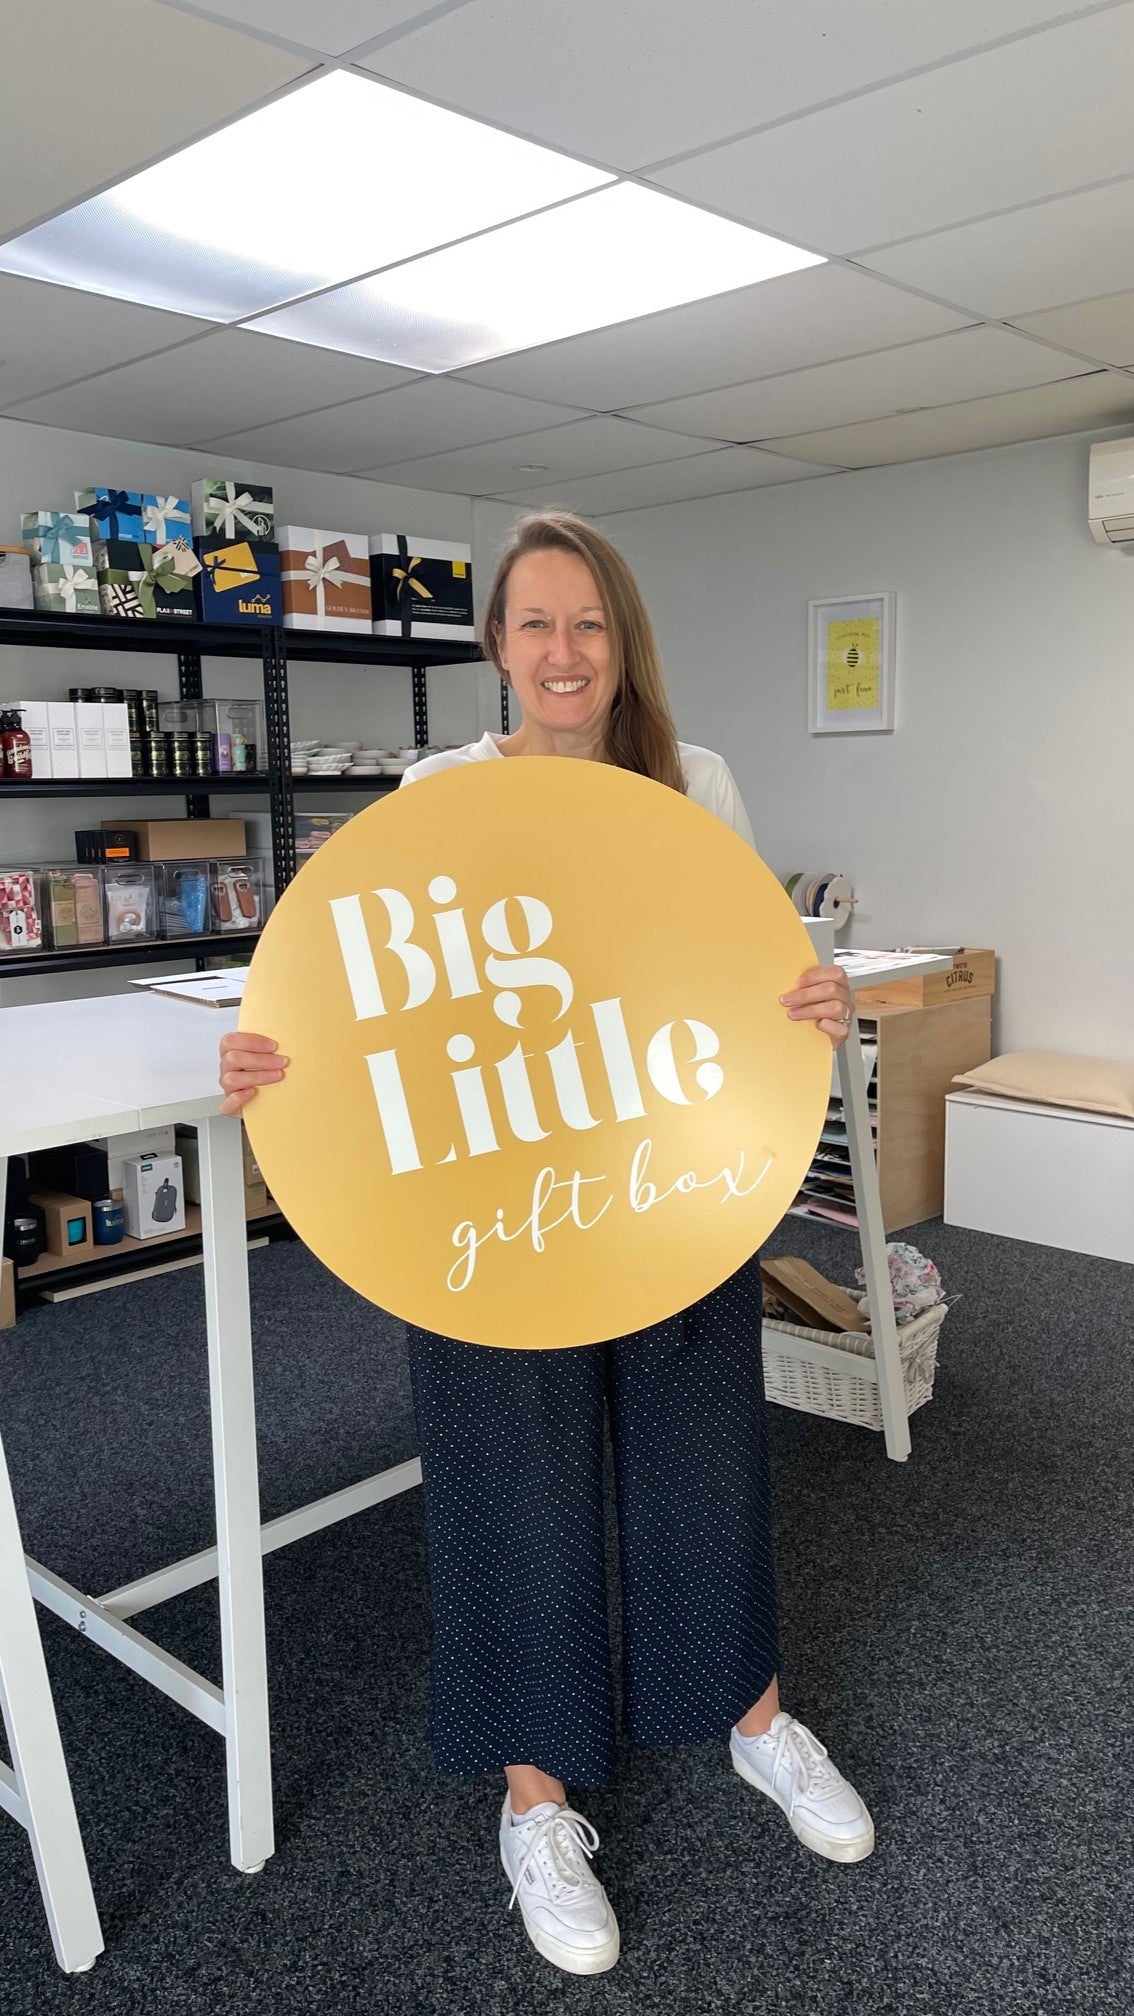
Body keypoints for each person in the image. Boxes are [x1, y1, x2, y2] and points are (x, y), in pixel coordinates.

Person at [219, 511, 867, 1979]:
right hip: (485, 1198)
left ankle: (753, 1720)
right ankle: (535, 1797)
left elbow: (736, 976)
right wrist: (277, 1059)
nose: (563, 651)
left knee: (701, 1449)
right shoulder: (435, 794)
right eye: (535, 623)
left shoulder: (694, 783)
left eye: (588, 622)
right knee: (510, 1478)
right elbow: (372, 1003)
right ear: (496, 647)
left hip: (662, 1179)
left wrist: (808, 1001)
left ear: (621, 640)